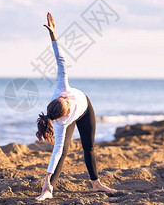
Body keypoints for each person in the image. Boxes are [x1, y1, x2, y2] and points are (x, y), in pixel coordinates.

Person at [35, 12, 117, 201]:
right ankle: (49, 189)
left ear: (59, 98)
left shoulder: (61, 88)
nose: (67, 99)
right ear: (63, 114)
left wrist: (53, 35)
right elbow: (55, 153)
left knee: (88, 146)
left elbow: (60, 60)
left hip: (86, 108)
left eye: (66, 99)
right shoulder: (61, 123)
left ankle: (96, 183)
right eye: (67, 103)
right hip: (74, 118)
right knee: (62, 151)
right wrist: (46, 178)